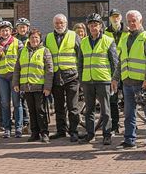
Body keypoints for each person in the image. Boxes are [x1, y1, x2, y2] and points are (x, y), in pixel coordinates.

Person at [112, 10, 146, 154]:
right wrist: (115, 78)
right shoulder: (125, 38)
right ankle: (129, 140)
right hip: (127, 83)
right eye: (129, 21)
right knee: (129, 114)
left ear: (140, 21)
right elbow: (121, 61)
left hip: (142, 84)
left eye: (134, 21)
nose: (131, 23)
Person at [78, 13, 118, 145]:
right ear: (88, 27)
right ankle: (90, 134)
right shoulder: (83, 42)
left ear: (100, 26)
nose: (93, 27)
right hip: (88, 80)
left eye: (96, 24)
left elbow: (115, 63)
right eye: (91, 25)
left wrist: (114, 79)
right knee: (89, 110)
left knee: (105, 110)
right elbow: (80, 62)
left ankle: (107, 134)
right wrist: (81, 79)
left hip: (103, 80)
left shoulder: (108, 40)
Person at [45, 14, 81, 142]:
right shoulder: (48, 37)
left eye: (61, 23)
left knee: (73, 107)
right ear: (53, 24)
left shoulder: (73, 35)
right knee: (58, 106)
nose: (59, 25)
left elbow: (80, 55)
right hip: (56, 76)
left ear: (66, 23)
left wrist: (80, 74)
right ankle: (61, 131)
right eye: (56, 23)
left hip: (71, 76)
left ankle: (74, 131)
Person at [13, 29, 53, 143]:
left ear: (40, 39)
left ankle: (44, 133)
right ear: (28, 39)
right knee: (31, 111)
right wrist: (16, 83)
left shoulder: (45, 51)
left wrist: (47, 87)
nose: (34, 40)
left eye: (36, 37)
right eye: (32, 38)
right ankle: (34, 133)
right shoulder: (22, 51)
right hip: (27, 86)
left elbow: (49, 70)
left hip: (40, 86)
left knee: (41, 110)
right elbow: (17, 68)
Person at [0, 21, 24, 138]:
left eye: (7, 30)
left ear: (11, 31)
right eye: (2, 30)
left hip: (14, 76)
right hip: (2, 77)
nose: (5, 32)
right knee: (4, 103)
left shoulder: (18, 43)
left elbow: (23, 60)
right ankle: (7, 128)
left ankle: (19, 128)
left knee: (16, 102)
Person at [105, 9, 127, 135]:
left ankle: (131, 125)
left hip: (126, 69)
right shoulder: (105, 33)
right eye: (113, 16)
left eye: (117, 16)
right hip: (111, 71)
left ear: (121, 17)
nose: (115, 18)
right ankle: (114, 125)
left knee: (128, 100)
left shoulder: (128, 32)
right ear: (110, 18)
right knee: (113, 100)